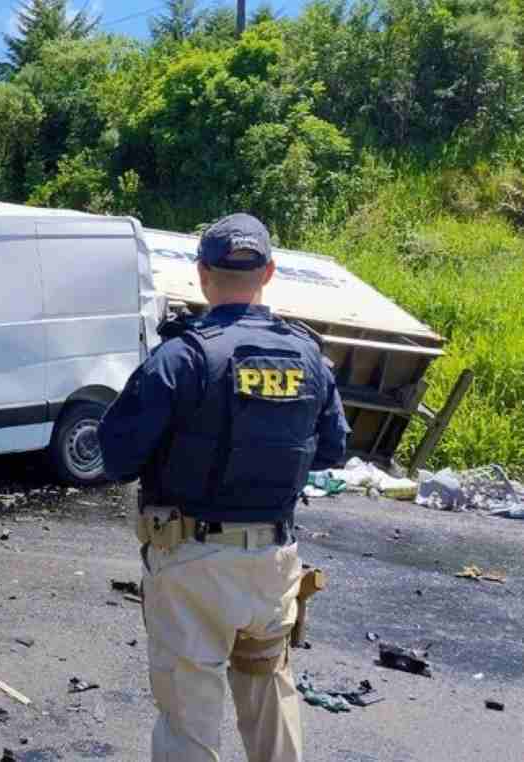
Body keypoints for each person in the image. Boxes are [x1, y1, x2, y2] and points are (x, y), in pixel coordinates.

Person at [97, 213, 349, 762]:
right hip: (273, 565)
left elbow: (115, 456)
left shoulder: (183, 355)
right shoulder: (308, 356)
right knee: (269, 696)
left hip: (192, 563)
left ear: (202, 275)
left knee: (189, 717)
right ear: (269, 272)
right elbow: (332, 450)